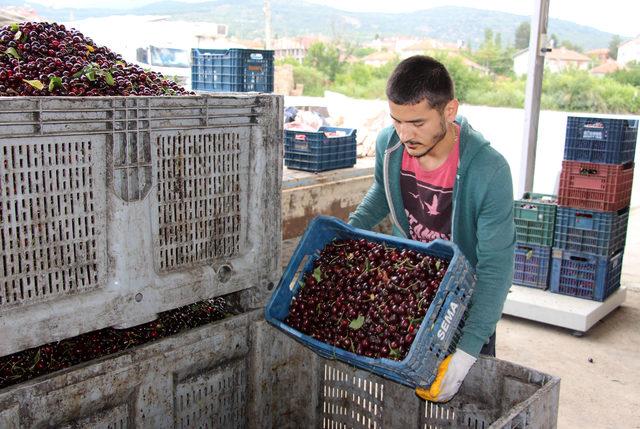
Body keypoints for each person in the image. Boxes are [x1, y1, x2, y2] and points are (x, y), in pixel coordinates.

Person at [348, 55, 515, 402]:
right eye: (397, 121)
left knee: (468, 398)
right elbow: (382, 192)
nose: (406, 134)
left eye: (418, 122)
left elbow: (495, 269)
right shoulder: (389, 145)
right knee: (401, 394)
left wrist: (467, 352)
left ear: (449, 110)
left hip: (464, 300)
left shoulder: (490, 171)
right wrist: (347, 232)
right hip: (413, 289)